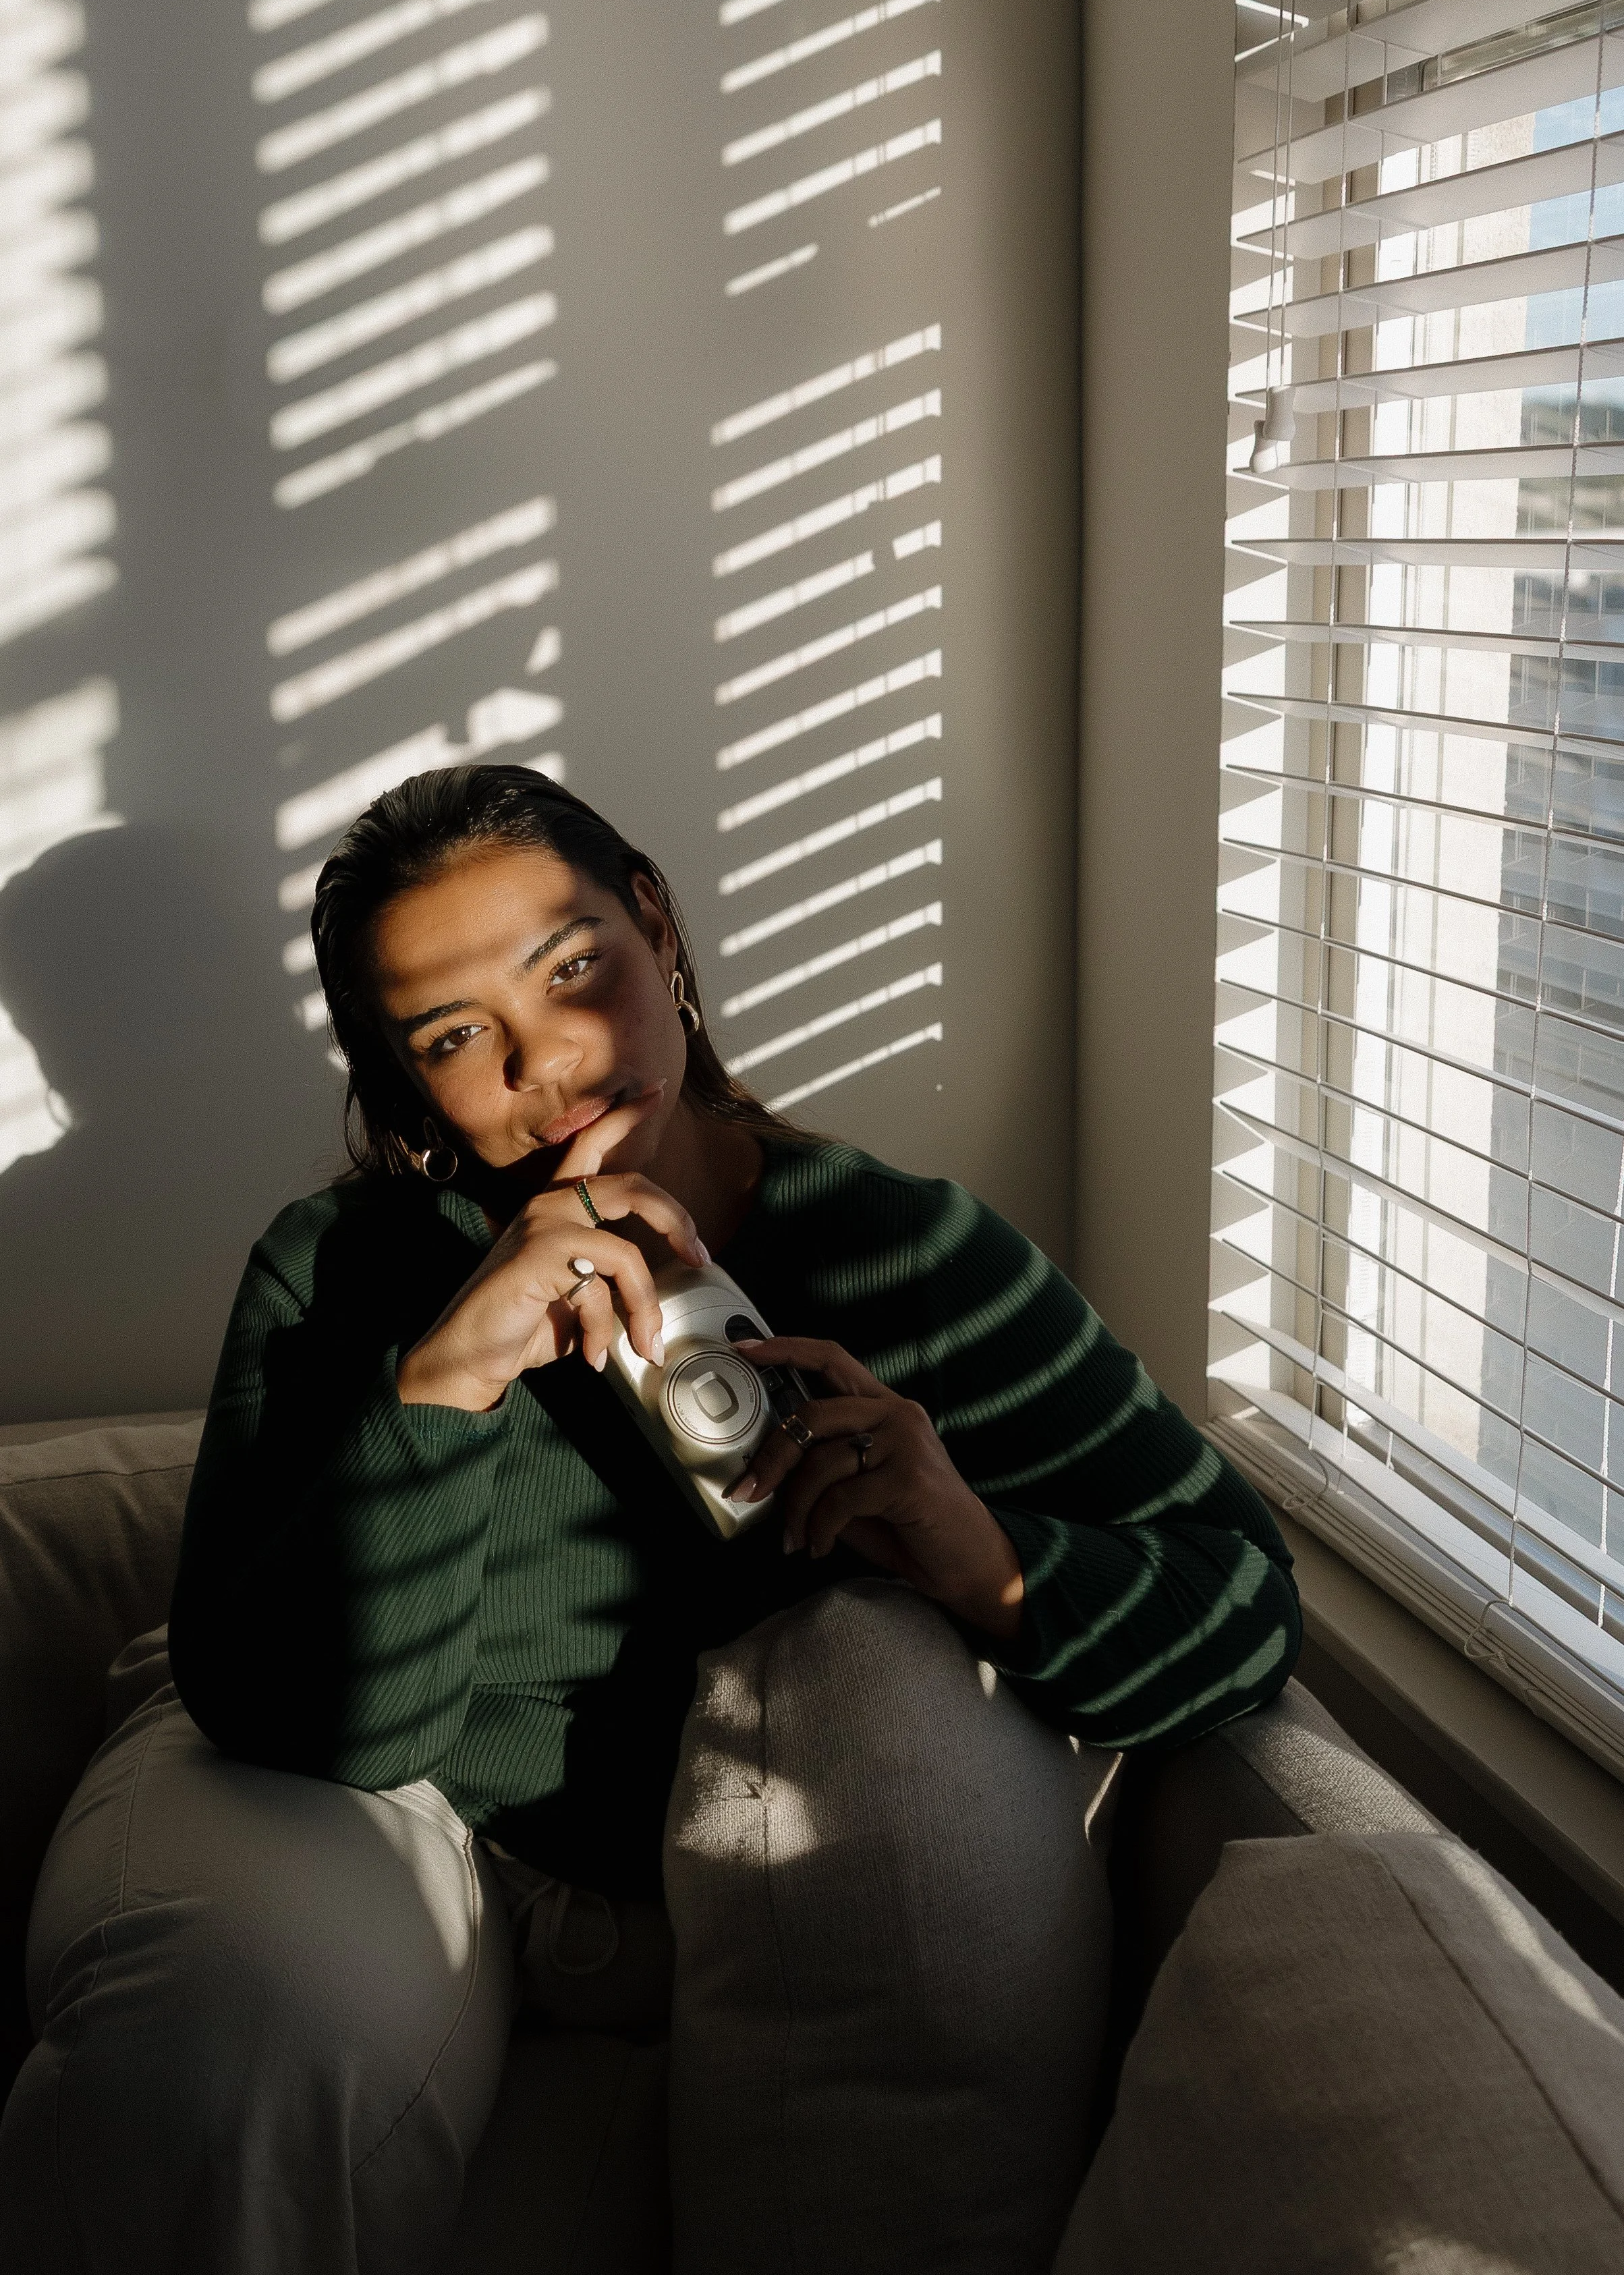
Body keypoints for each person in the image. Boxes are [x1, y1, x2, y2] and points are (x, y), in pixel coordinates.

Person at [0, 764, 1300, 2274]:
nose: (546, 1059)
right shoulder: (338, 1267)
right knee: (224, 2048)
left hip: (719, 1876)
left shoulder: (904, 1255)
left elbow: (1244, 1601)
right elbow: (319, 1723)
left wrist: (982, 1555)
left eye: (573, 970)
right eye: (453, 1035)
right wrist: (447, 1380)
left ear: (661, 934)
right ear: (400, 1075)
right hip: (374, 1796)